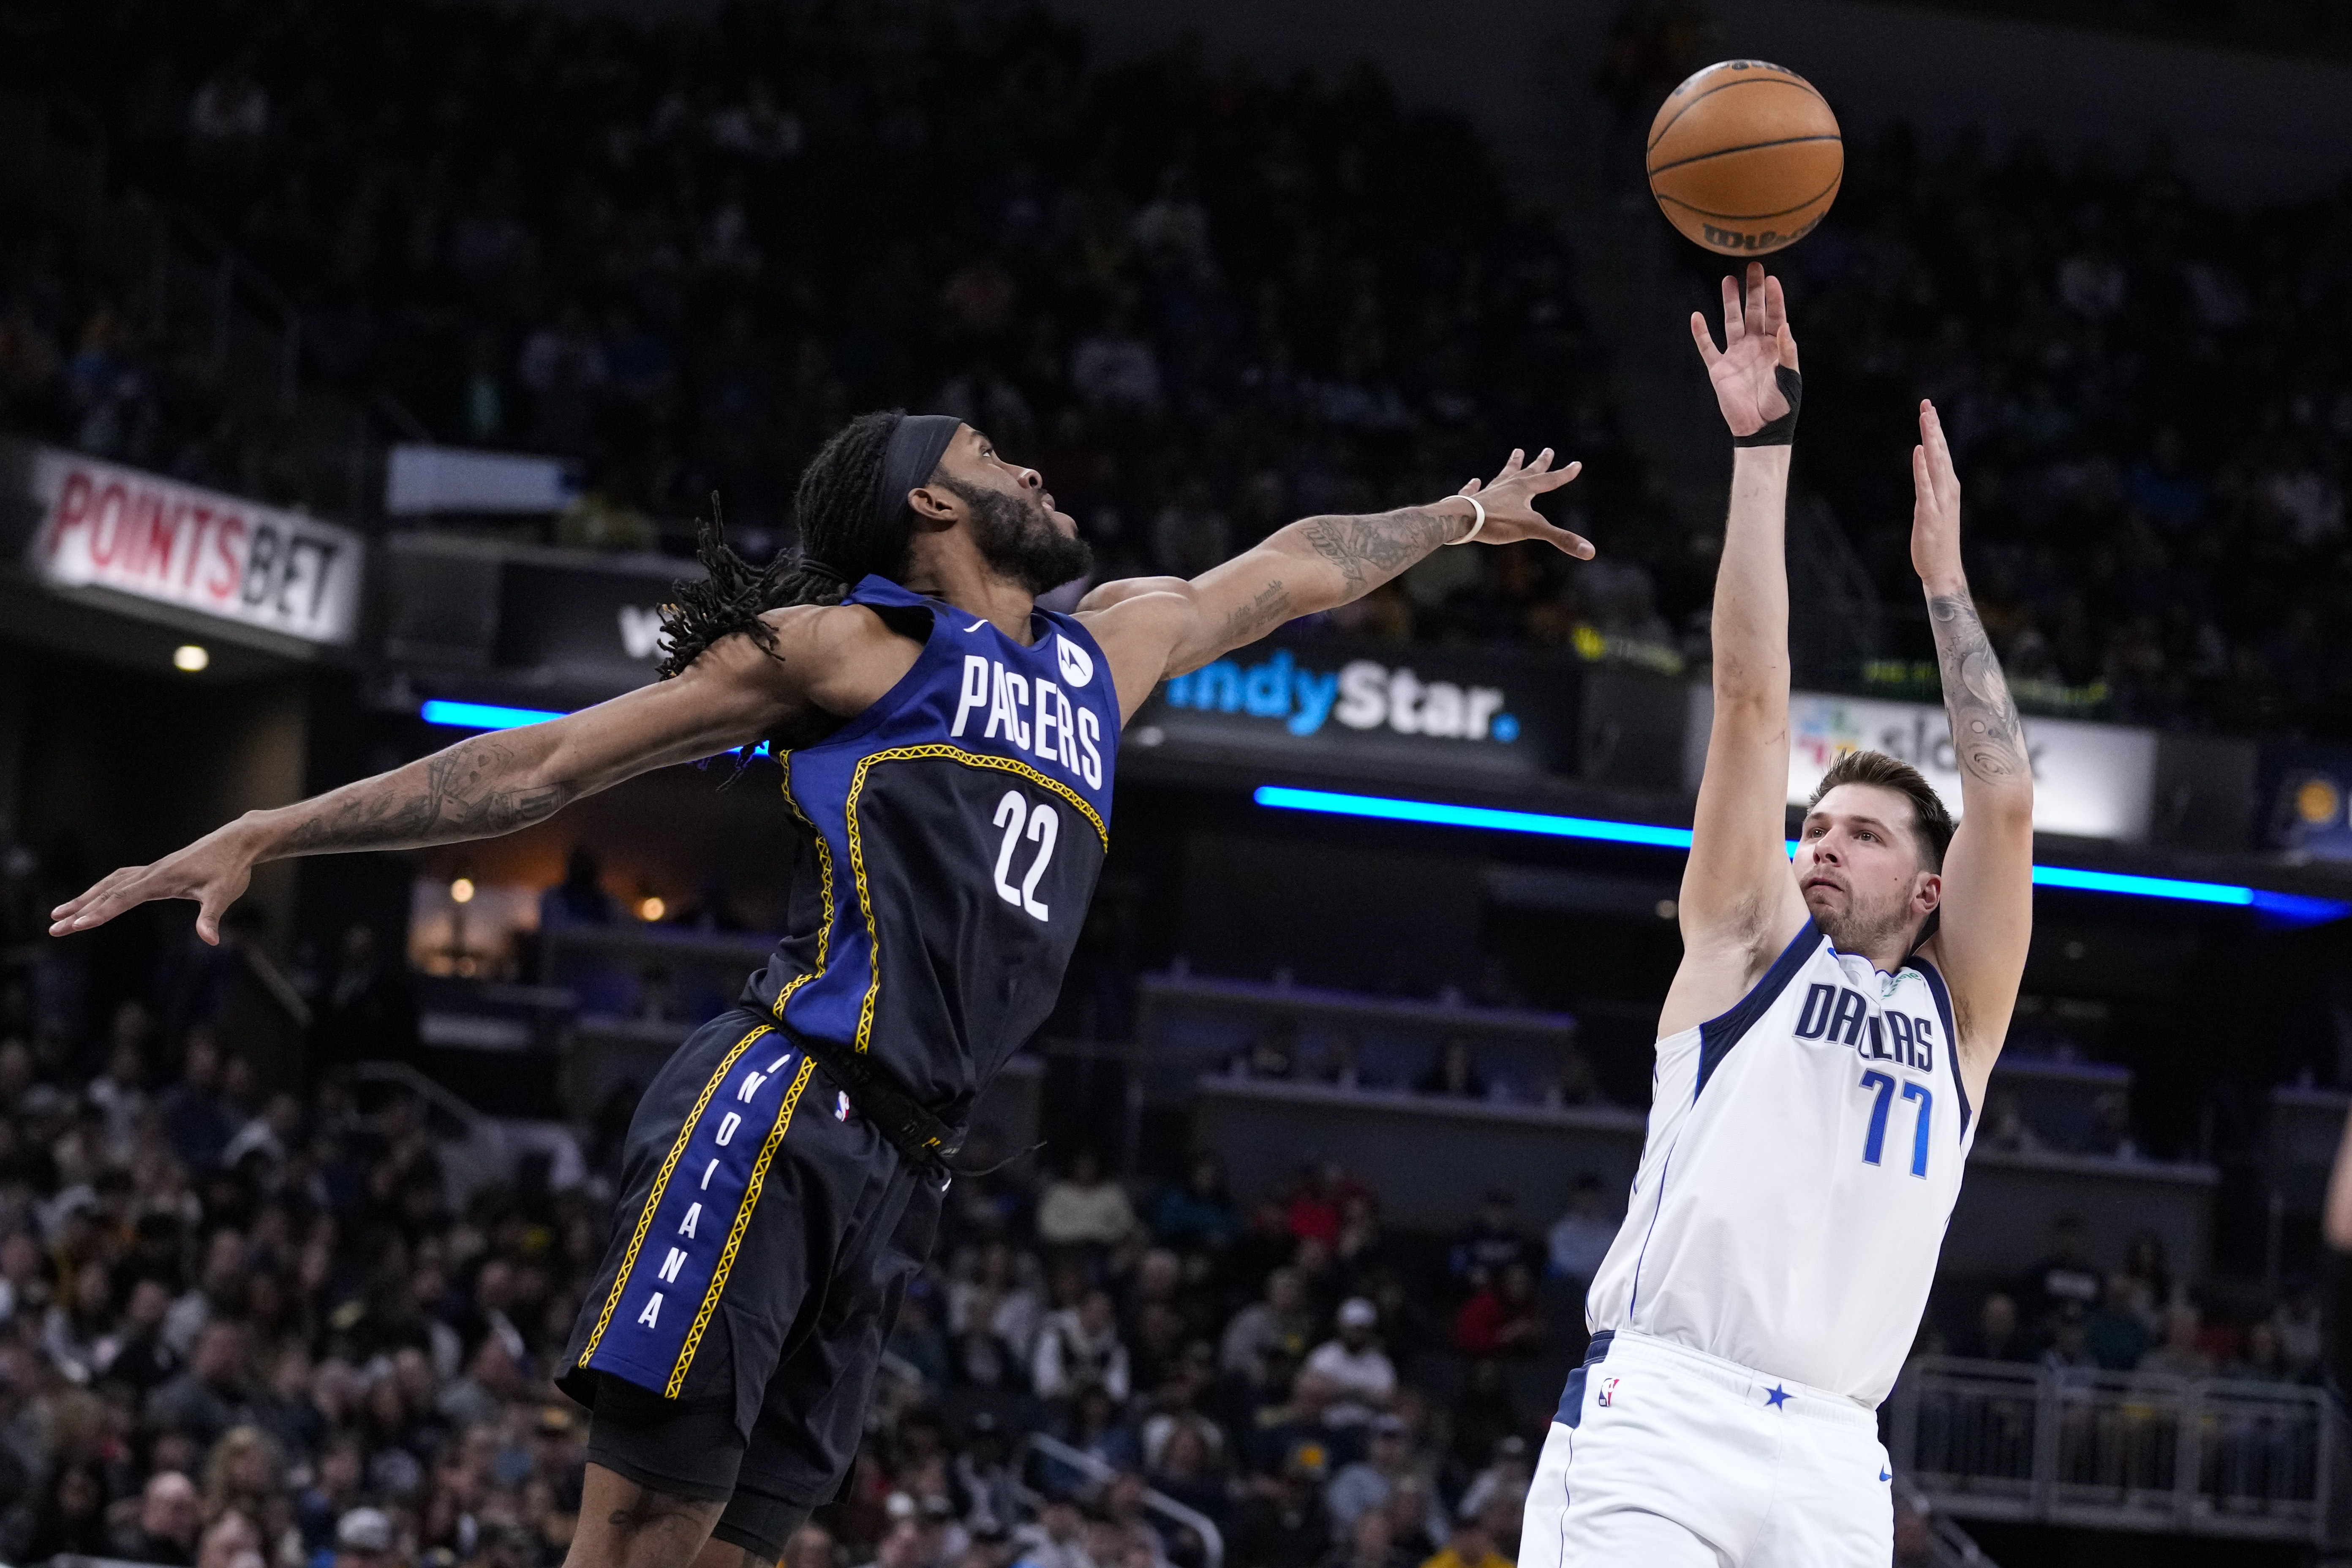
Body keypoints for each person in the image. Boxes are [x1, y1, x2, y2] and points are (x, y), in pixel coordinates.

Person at [53, 409, 1592, 1568]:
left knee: (743, 1547)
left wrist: (1463, 515)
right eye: (1001, 456)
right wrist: (273, 824)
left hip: (899, 1168)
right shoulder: (854, 647)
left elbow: (1289, 570)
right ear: (933, 500)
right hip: (783, 1102)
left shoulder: (1105, 654)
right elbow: (541, 765)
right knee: (646, 1532)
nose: (1041, 476)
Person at [1521, 267, 2036, 1568]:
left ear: (1930, 890)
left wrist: (1944, 585)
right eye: (1817, 829)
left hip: (1833, 1456)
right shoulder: (1748, 941)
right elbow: (1754, 697)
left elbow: (2007, 802)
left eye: (1862, 837)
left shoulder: (1957, 1013)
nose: (1823, 848)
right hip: (1665, 1417)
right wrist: (1762, 454)